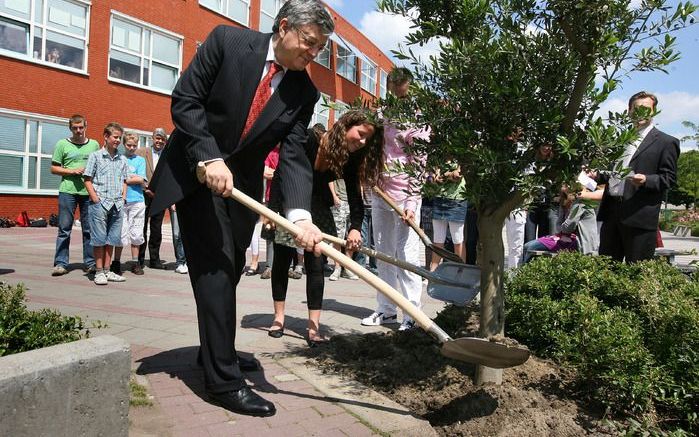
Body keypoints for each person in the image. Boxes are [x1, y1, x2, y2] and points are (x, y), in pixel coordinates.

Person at [147, 0, 334, 417]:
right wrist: (209, 157)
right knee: (214, 269)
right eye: (308, 43)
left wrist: (301, 217)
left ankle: (216, 350)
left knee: (228, 271)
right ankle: (224, 382)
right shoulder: (227, 42)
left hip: (243, 190)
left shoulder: (304, 92)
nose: (312, 54)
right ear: (284, 27)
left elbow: (294, 156)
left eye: (319, 49)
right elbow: (186, 101)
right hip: (196, 173)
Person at [267, 110, 383, 345]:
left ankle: (313, 327)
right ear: (346, 125)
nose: (361, 142)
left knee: (316, 264)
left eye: (366, 140)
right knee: (281, 260)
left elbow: (355, 199)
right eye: (360, 134)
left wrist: (355, 228)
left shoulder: (349, 158)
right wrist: (272, 211)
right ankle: (279, 318)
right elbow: (282, 173)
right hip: (292, 202)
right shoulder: (308, 139)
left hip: (318, 206)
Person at [361, 67, 430, 332]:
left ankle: (411, 311)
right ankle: (386, 309)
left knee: (407, 254)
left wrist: (412, 203)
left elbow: (420, 164)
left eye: (404, 94)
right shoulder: (381, 115)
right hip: (380, 192)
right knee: (383, 252)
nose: (400, 99)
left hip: (405, 197)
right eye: (395, 93)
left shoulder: (419, 121)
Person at [593, 91, 680, 262]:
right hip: (611, 213)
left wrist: (647, 180)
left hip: (639, 216)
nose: (641, 113)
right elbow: (613, 173)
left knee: (637, 272)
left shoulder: (666, 142)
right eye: (637, 109)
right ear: (629, 111)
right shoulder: (619, 141)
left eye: (646, 109)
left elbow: (669, 178)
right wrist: (596, 175)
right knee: (606, 271)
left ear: (654, 112)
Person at [50, 114, 100, 276]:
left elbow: (98, 166)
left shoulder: (94, 144)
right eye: (75, 128)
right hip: (68, 191)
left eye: (81, 127)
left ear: (86, 127)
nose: (78, 131)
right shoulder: (62, 144)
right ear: (70, 128)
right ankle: (61, 263)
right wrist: (72, 171)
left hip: (88, 192)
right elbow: (54, 168)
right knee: (64, 229)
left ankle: (90, 263)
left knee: (89, 229)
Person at [83, 123, 129, 285]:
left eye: (119, 138)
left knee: (112, 239)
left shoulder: (122, 159)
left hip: (117, 204)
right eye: (115, 137)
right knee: (99, 239)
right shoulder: (95, 156)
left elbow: (125, 180)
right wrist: (95, 198)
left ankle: (108, 271)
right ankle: (99, 272)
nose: (118, 140)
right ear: (106, 137)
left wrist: (123, 198)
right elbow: (87, 179)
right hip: (100, 204)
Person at [136, 128, 187, 273]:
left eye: (162, 139)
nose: (159, 141)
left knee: (156, 229)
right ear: (152, 138)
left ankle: (154, 259)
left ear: (165, 141)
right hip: (144, 194)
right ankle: (139, 259)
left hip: (159, 196)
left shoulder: (169, 156)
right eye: (157, 138)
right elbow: (136, 171)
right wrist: (145, 187)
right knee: (142, 227)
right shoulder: (142, 152)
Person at [112, 133, 147, 275]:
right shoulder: (119, 159)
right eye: (129, 145)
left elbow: (142, 180)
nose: (132, 148)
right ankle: (116, 262)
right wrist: (133, 177)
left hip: (137, 200)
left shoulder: (140, 160)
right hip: (122, 200)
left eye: (134, 146)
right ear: (124, 145)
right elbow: (116, 178)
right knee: (121, 232)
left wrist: (126, 178)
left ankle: (135, 262)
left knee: (136, 233)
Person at [429, 163, 467, 271]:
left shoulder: (460, 152)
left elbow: (457, 176)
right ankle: (433, 271)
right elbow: (434, 174)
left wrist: (444, 175)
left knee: (458, 239)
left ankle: (460, 272)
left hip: (457, 199)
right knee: (437, 239)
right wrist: (434, 177)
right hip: (439, 197)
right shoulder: (438, 154)